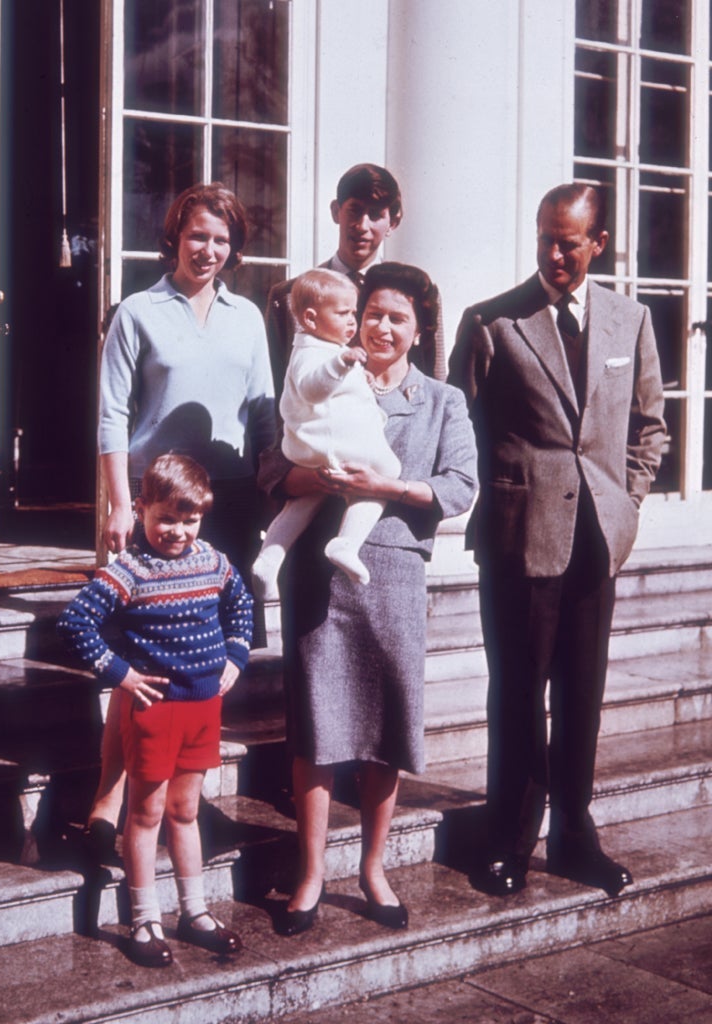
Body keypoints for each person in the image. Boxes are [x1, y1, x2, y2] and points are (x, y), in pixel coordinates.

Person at [448, 183, 666, 899]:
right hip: (520, 540)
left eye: (568, 241)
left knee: (583, 694)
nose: (553, 253)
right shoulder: (493, 322)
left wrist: (626, 503)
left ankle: (574, 835)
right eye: (545, 237)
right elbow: (463, 427)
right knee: (518, 692)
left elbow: (647, 427)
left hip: (597, 539)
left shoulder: (630, 321)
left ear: (598, 243)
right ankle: (508, 840)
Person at [259, 262, 477, 935]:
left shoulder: (442, 400)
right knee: (316, 728)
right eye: (372, 312)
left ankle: (373, 868)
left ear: (417, 330)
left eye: (396, 317)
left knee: (387, 726)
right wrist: (315, 477)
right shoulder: (321, 375)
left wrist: (390, 488)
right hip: (319, 576)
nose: (380, 326)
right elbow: (272, 470)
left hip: (392, 570)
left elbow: (460, 486)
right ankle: (310, 873)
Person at [86, 181, 276, 860]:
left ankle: (187, 795)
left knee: (201, 658)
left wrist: (279, 479)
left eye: (222, 240)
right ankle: (111, 797)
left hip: (226, 503)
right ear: (175, 236)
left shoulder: (247, 317)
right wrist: (118, 504)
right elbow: (111, 412)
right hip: (155, 503)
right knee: (138, 661)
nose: (209, 250)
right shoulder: (139, 311)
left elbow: (263, 410)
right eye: (198, 235)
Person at [58, 454, 253, 967]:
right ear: (140, 508)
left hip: (203, 708)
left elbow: (241, 604)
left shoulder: (213, 561)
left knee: (185, 811)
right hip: (154, 711)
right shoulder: (129, 570)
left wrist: (236, 653)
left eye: (190, 520)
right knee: (143, 816)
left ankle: (195, 913)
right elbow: (78, 622)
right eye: (167, 518)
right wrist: (120, 674)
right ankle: (143, 919)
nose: (179, 531)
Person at [252, 268, 401, 598]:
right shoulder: (313, 352)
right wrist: (343, 363)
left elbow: (349, 398)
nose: (352, 321)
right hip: (330, 442)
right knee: (388, 472)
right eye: (343, 313)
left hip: (316, 447)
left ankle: (270, 558)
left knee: (305, 501)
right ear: (310, 317)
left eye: (354, 312)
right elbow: (312, 389)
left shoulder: (324, 348)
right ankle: (346, 543)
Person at [265, 163, 447, 395]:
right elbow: (276, 390)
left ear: (393, 222)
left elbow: (436, 378)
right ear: (335, 211)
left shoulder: (418, 292)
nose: (362, 226)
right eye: (354, 210)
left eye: (375, 215)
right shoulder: (290, 296)